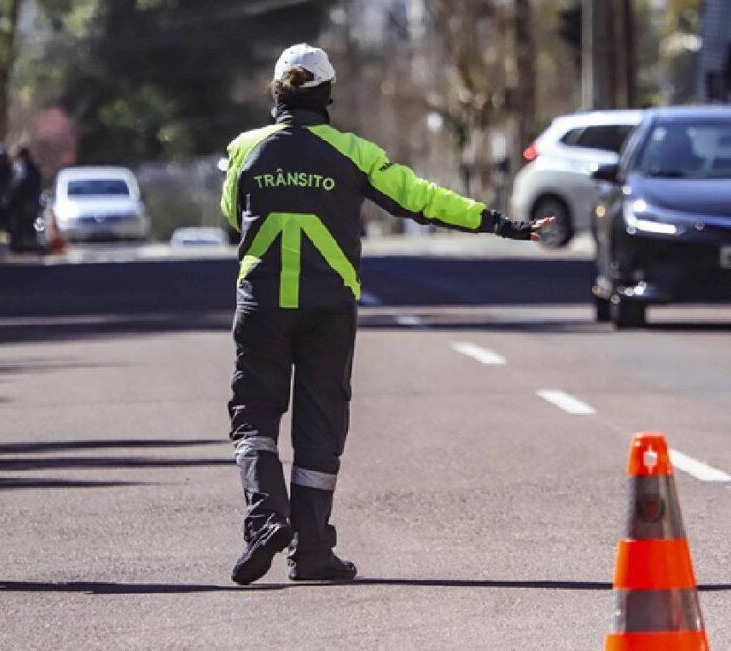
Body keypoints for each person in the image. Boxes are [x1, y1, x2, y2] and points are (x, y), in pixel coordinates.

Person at [220, 44, 554, 585]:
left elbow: (232, 214)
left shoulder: (245, 150)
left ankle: (264, 517)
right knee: (320, 427)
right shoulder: (355, 153)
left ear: (276, 94)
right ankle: (311, 551)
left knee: (255, 416)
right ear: (328, 96)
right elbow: (423, 200)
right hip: (329, 309)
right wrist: (501, 224)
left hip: (262, 306)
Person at [9, 145, 42, 252]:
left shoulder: (32, 169)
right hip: (17, 202)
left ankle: (29, 244)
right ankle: (17, 245)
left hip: (28, 201)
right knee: (16, 225)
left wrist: (32, 201)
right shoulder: (16, 168)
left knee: (29, 224)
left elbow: (34, 186)